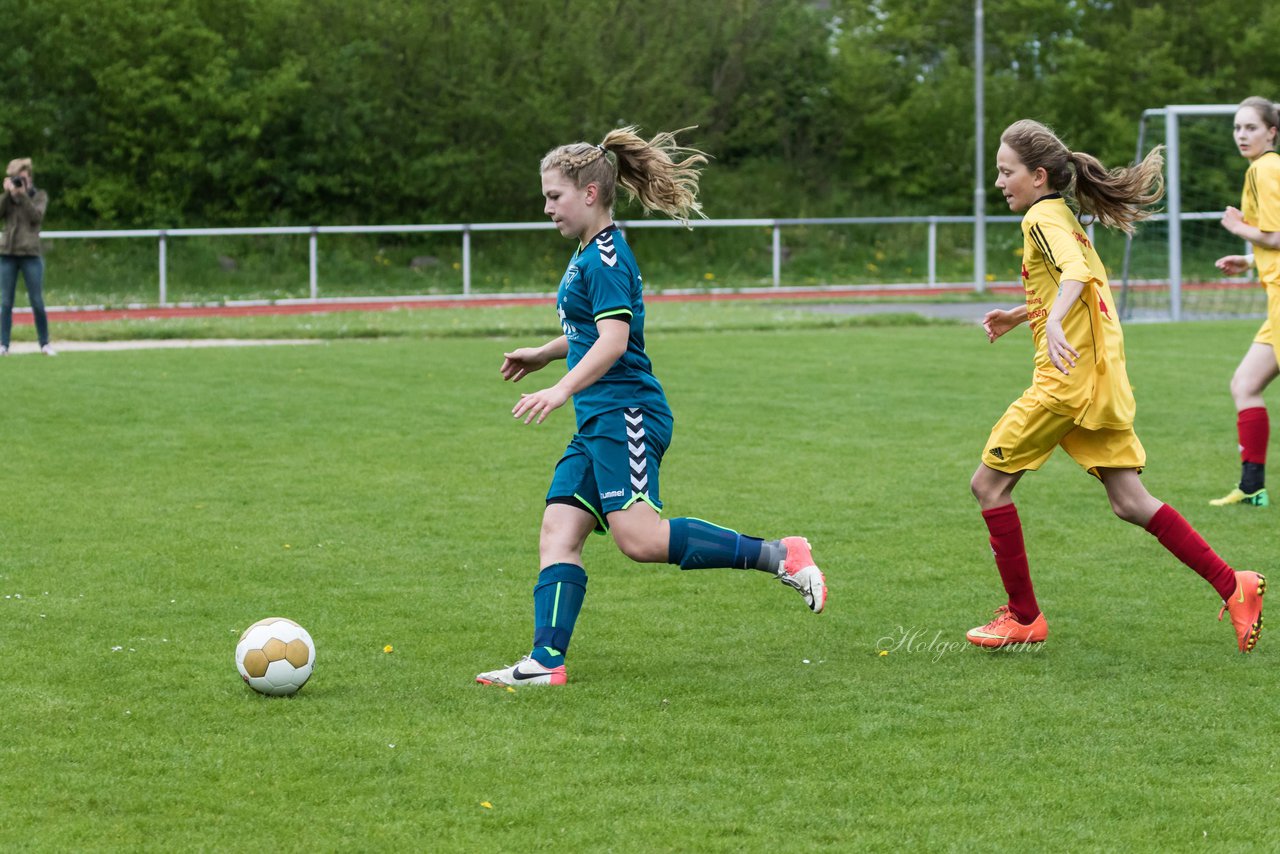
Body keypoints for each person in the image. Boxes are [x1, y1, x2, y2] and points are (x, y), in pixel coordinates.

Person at [476, 127, 827, 687]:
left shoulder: (607, 256)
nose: (546, 208)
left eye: (553, 196)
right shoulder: (589, 254)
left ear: (589, 193)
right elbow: (592, 330)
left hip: (627, 413)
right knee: (559, 531)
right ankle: (544, 663)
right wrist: (546, 354)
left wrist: (561, 388)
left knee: (639, 540)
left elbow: (614, 341)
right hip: (599, 417)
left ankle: (780, 554)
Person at [967, 119, 1265, 653]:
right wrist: (1023, 315)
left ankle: (1024, 617)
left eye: (1005, 171)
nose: (999, 182)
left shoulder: (1040, 216)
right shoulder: (1061, 213)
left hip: (1064, 384)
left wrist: (1053, 323)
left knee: (988, 486)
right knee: (1130, 501)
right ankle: (1233, 584)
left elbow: (1077, 275)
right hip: (1099, 382)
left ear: (1037, 176)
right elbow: (1073, 282)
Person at [1210, 96, 1280, 507]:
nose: (1241, 135)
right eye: (1237, 128)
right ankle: (1252, 487)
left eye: (1251, 127)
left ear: (1272, 132)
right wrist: (1250, 258)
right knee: (1245, 384)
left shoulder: (1264, 170)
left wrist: (1239, 228)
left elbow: (1276, 234)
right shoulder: (1267, 168)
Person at [0, 158, 54, 356]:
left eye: (22, 178)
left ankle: (44, 343)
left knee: (36, 300)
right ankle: (3, 344)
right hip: (8, 253)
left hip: (30, 253)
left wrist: (23, 196)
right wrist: (7, 194)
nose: (19, 183)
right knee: (5, 302)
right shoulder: (8, 198)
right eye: (16, 179)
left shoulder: (39, 196)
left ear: (29, 178)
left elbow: (36, 217)